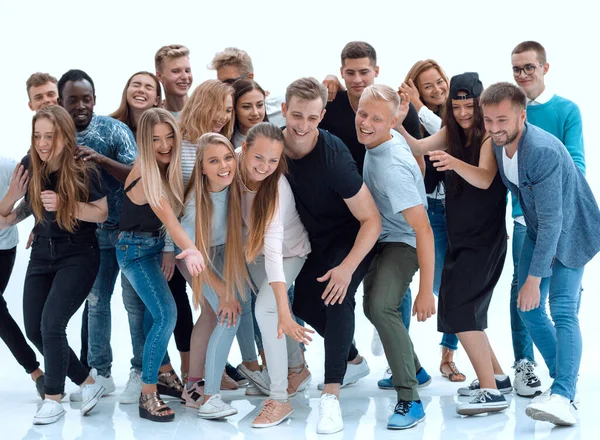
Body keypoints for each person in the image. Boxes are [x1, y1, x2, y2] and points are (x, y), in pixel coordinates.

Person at [480, 82, 599, 426]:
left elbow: (555, 220)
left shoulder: (542, 150)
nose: (494, 128)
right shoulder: (499, 147)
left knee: (561, 307)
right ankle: (565, 381)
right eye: (489, 121)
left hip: (572, 228)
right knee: (527, 308)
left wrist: (534, 277)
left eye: (502, 120)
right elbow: (529, 205)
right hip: (539, 227)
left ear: (522, 115)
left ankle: (562, 394)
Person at [398, 72, 510, 416]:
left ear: (480, 106)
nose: (463, 113)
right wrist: (400, 121)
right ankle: (497, 377)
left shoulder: (489, 137)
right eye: (457, 106)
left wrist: (452, 162)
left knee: (461, 312)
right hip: (461, 236)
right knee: (465, 311)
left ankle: (491, 394)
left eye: (469, 106)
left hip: (484, 239)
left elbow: (485, 177)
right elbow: (418, 147)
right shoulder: (451, 132)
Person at [282, 77, 381, 434]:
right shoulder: (274, 146)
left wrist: (347, 267)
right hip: (314, 240)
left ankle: (331, 396)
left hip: (351, 236)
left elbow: (371, 220)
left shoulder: (334, 156)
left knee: (337, 297)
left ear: (322, 115)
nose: (303, 126)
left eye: (312, 117)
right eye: (296, 116)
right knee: (304, 305)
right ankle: (352, 358)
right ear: (284, 111)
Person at [1, 106, 108, 424]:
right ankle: (88, 384)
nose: (43, 143)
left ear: (64, 135)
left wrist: (67, 205)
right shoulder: (28, 166)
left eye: (50, 136)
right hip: (41, 256)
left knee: (52, 324)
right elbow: (6, 218)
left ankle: (53, 397)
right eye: (37, 136)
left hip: (79, 254)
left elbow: (101, 213)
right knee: (35, 328)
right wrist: (11, 196)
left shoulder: (83, 167)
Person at [57, 69, 149, 404]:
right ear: (60, 102)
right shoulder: (57, 138)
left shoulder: (114, 130)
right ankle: (100, 373)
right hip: (89, 235)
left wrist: (100, 159)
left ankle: (139, 372)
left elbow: (138, 176)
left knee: (133, 304)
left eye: (86, 99)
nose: (80, 106)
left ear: (94, 100)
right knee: (96, 304)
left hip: (128, 231)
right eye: (72, 100)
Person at [506, 40, 586, 398]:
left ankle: (564, 382)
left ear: (544, 68)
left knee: (561, 306)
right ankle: (529, 366)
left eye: (529, 68)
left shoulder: (567, 111)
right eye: (516, 69)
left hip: (563, 220)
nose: (522, 74)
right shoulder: (506, 114)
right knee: (523, 300)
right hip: (524, 222)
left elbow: (576, 165)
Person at [116, 108, 205, 422]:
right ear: (144, 142)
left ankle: (164, 375)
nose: (165, 144)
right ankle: (147, 393)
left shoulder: (164, 165)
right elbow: (171, 219)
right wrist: (191, 251)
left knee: (156, 314)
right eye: (155, 139)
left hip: (153, 246)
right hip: (135, 251)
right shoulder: (147, 172)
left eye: (169, 137)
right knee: (167, 314)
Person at [358, 84, 436, 430]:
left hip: (404, 242)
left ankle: (410, 398)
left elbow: (424, 230)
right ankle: (414, 368)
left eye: (377, 119)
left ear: (392, 122)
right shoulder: (379, 142)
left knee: (381, 306)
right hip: (384, 236)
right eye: (363, 114)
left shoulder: (391, 168)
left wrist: (424, 290)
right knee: (370, 306)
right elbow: (418, 167)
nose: (366, 123)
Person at [238, 122, 314, 427]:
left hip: (289, 252)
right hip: (253, 249)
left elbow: (274, 254)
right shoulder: (229, 164)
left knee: (268, 309)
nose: (265, 167)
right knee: (273, 310)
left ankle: (280, 400)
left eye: (273, 161)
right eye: (258, 158)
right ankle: (298, 369)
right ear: (244, 149)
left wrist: (283, 311)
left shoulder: (277, 188)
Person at [175, 132, 253, 419]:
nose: (223, 166)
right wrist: (225, 292)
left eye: (227, 158)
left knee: (210, 315)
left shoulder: (233, 187)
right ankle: (210, 397)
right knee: (227, 313)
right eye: (214, 161)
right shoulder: (197, 203)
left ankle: (193, 386)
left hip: (220, 252)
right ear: (202, 167)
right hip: (194, 258)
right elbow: (194, 256)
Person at [400, 60, 466, 383]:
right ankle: (399, 356)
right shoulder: (410, 119)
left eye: (440, 81)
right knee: (438, 285)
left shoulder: (459, 112)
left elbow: (450, 137)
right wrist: (411, 109)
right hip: (426, 212)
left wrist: (419, 106)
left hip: (458, 212)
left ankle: (448, 355)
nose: (438, 89)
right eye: (428, 86)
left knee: (457, 287)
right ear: (417, 91)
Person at [320, 41, 424, 175]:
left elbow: (419, 165)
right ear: (341, 72)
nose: (357, 80)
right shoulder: (331, 105)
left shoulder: (401, 107)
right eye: (350, 73)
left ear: (376, 71)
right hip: (345, 189)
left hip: (387, 189)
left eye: (364, 72)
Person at [0, 158, 45, 398]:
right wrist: (9, 198)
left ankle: (35, 371)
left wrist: (39, 225)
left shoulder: (9, 167)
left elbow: (38, 195)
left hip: (3, 248)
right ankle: (35, 371)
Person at [210, 47, 285, 127]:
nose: (223, 88)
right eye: (220, 83)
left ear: (249, 77)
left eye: (230, 82)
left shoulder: (280, 109)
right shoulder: (218, 118)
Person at [110, 71, 162, 137]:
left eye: (148, 88)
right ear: (126, 92)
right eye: (136, 85)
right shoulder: (109, 126)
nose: (141, 90)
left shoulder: (164, 129)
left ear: (156, 100)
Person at [155, 44, 193, 117]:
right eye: (176, 71)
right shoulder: (154, 116)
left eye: (187, 71)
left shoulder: (205, 111)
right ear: (159, 76)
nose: (185, 77)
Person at [231, 78, 268, 149]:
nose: (255, 113)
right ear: (234, 108)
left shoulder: (276, 137)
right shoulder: (222, 139)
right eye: (246, 107)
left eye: (260, 105)